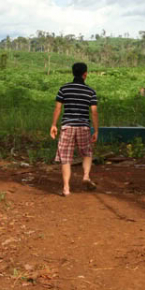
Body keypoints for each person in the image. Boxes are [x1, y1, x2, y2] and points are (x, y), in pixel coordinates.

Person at [50, 62, 99, 196]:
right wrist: (96, 130)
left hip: (67, 126)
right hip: (83, 126)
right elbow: (94, 112)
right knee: (87, 153)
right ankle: (86, 176)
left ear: (73, 73)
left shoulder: (64, 89)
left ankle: (66, 188)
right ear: (85, 74)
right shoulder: (90, 91)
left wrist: (53, 125)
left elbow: (58, 108)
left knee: (65, 158)